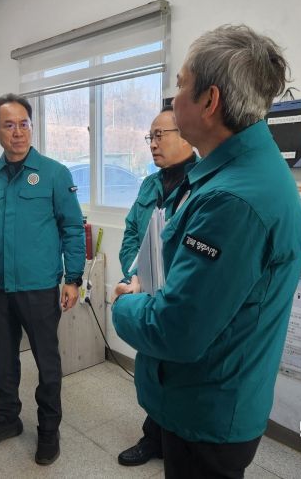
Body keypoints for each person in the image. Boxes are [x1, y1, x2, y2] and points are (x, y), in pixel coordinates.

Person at [111, 25, 301, 479]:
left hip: (207, 407)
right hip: (206, 392)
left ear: (209, 100)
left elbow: (177, 330)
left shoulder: (232, 200)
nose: (174, 97)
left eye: (181, 84)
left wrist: (123, 304)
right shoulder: (235, 174)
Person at [0, 93, 85, 466]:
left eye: (24, 124)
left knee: (47, 363)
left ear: (32, 127)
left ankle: (49, 430)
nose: (18, 132)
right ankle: (6, 419)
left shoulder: (54, 174)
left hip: (39, 288)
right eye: (9, 125)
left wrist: (73, 278)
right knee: (2, 359)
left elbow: (72, 228)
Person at [117, 103, 197, 467]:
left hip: (181, 298)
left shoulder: (203, 184)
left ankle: (179, 442)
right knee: (151, 366)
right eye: (150, 136)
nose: (152, 143)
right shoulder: (149, 185)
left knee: (180, 373)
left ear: (186, 136)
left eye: (160, 135)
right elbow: (132, 234)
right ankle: (154, 438)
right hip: (146, 292)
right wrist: (135, 275)